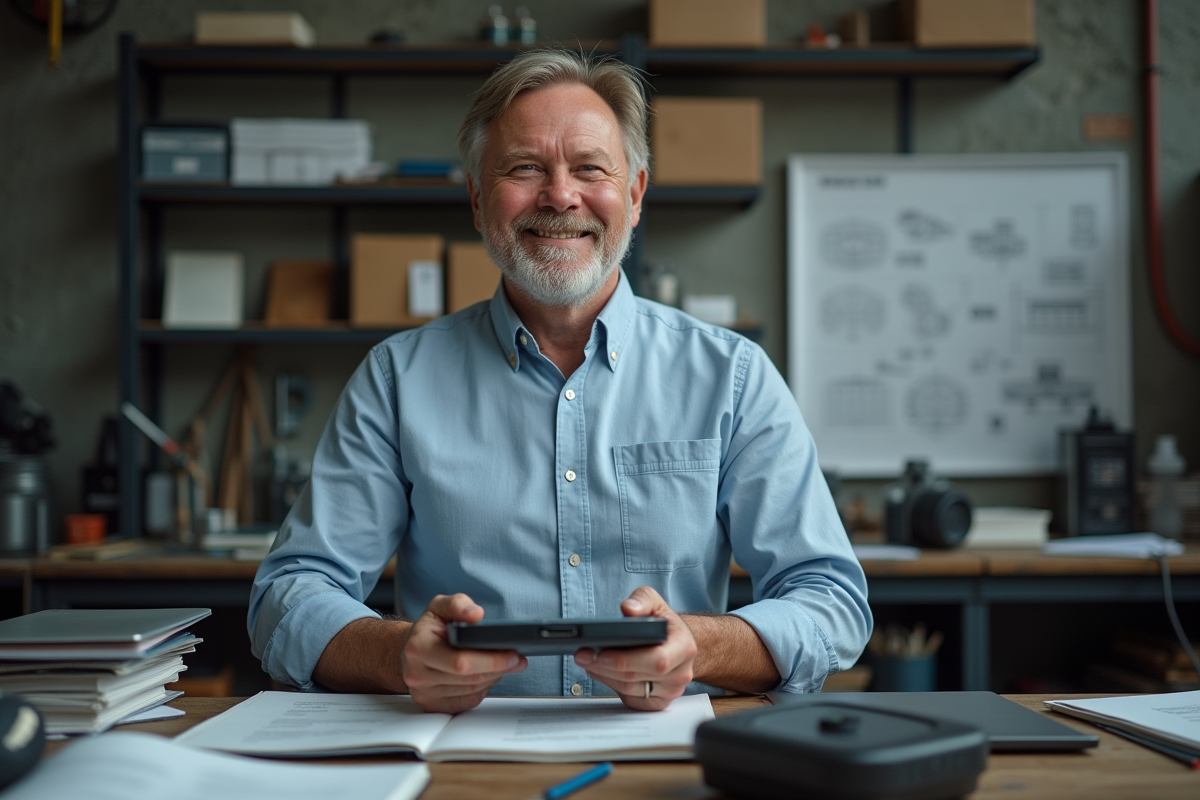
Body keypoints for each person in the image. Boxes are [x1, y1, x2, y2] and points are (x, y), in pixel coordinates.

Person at [248, 49, 871, 714]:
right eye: (524, 168)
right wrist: (398, 656)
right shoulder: (396, 379)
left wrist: (700, 645)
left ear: (633, 194)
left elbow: (830, 600)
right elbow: (289, 594)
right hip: (460, 764)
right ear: (478, 197)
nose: (561, 195)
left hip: (669, 759)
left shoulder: (733, 377)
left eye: (590, 169)